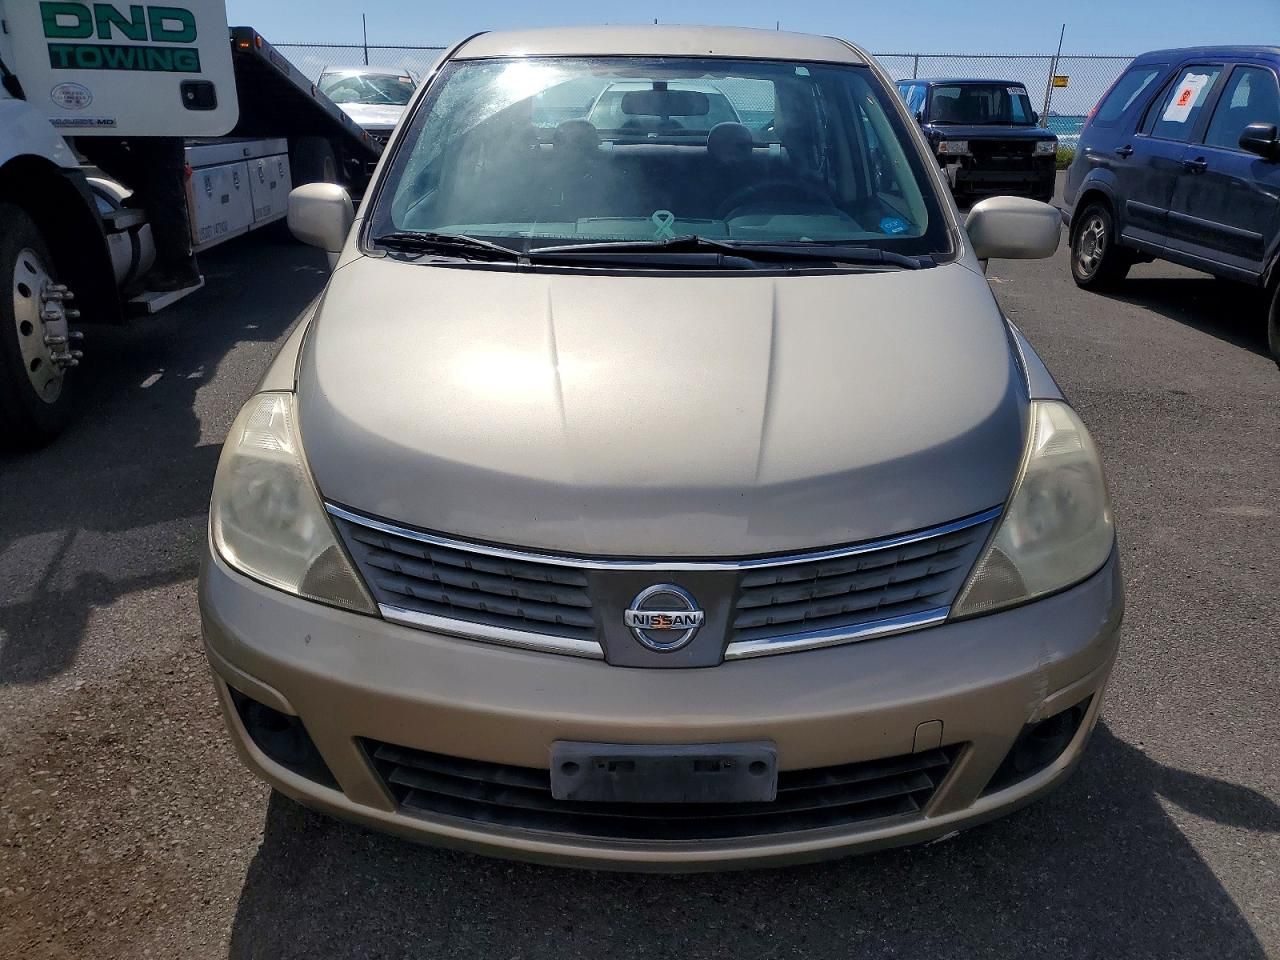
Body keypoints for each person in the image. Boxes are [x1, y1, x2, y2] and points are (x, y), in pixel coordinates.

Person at [78, 137, 202, 292]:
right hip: (147, 122)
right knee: (91, 142)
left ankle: (182, 268)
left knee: (165, 191)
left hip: (162, 126)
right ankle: (148, 190)